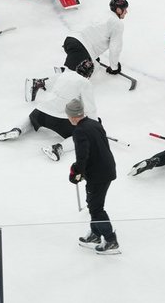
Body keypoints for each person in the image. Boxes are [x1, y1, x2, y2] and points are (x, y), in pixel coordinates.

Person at [0, 58, 98, 161]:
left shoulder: (63, 74)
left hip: (42, 111)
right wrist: (95, 126)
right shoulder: (85, 83)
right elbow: (90, 108)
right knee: (82, 136)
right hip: (61, 119)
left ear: (77, 68)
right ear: (89, 75)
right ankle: (58, 149)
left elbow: (46, 84)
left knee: (31, 119)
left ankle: (17, 130)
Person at [67, 98, 119, 254]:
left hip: (98, 174)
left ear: (74, 116)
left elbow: (83, 156)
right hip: (106, 169)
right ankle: (95, 234)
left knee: (96, 207)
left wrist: (76, 172)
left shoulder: (79, 131)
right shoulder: (95, 123)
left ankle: (111, 239)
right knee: (92, 202)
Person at [63, 0, 128, 76]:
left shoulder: (102, 13)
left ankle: (87, 59)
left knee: (92, 66)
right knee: (71, 77)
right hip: (81, 48)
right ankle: (53, 79)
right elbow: (115, 47)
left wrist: (92, 56)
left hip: (70, 40)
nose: (126, 12)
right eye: (125, 9)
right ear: (118, 10)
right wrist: (114, 67)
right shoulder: (117, 23)